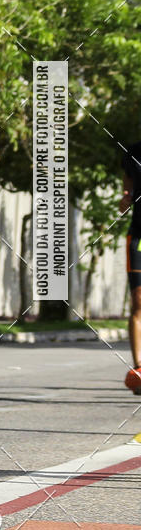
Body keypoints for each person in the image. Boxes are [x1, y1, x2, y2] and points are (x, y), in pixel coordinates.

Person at [119, 138, 141, 395]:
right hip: (138, 236)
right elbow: (128, 184)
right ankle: (139, 368)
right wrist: (126, 198)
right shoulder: (133, 152)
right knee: (138, 301)